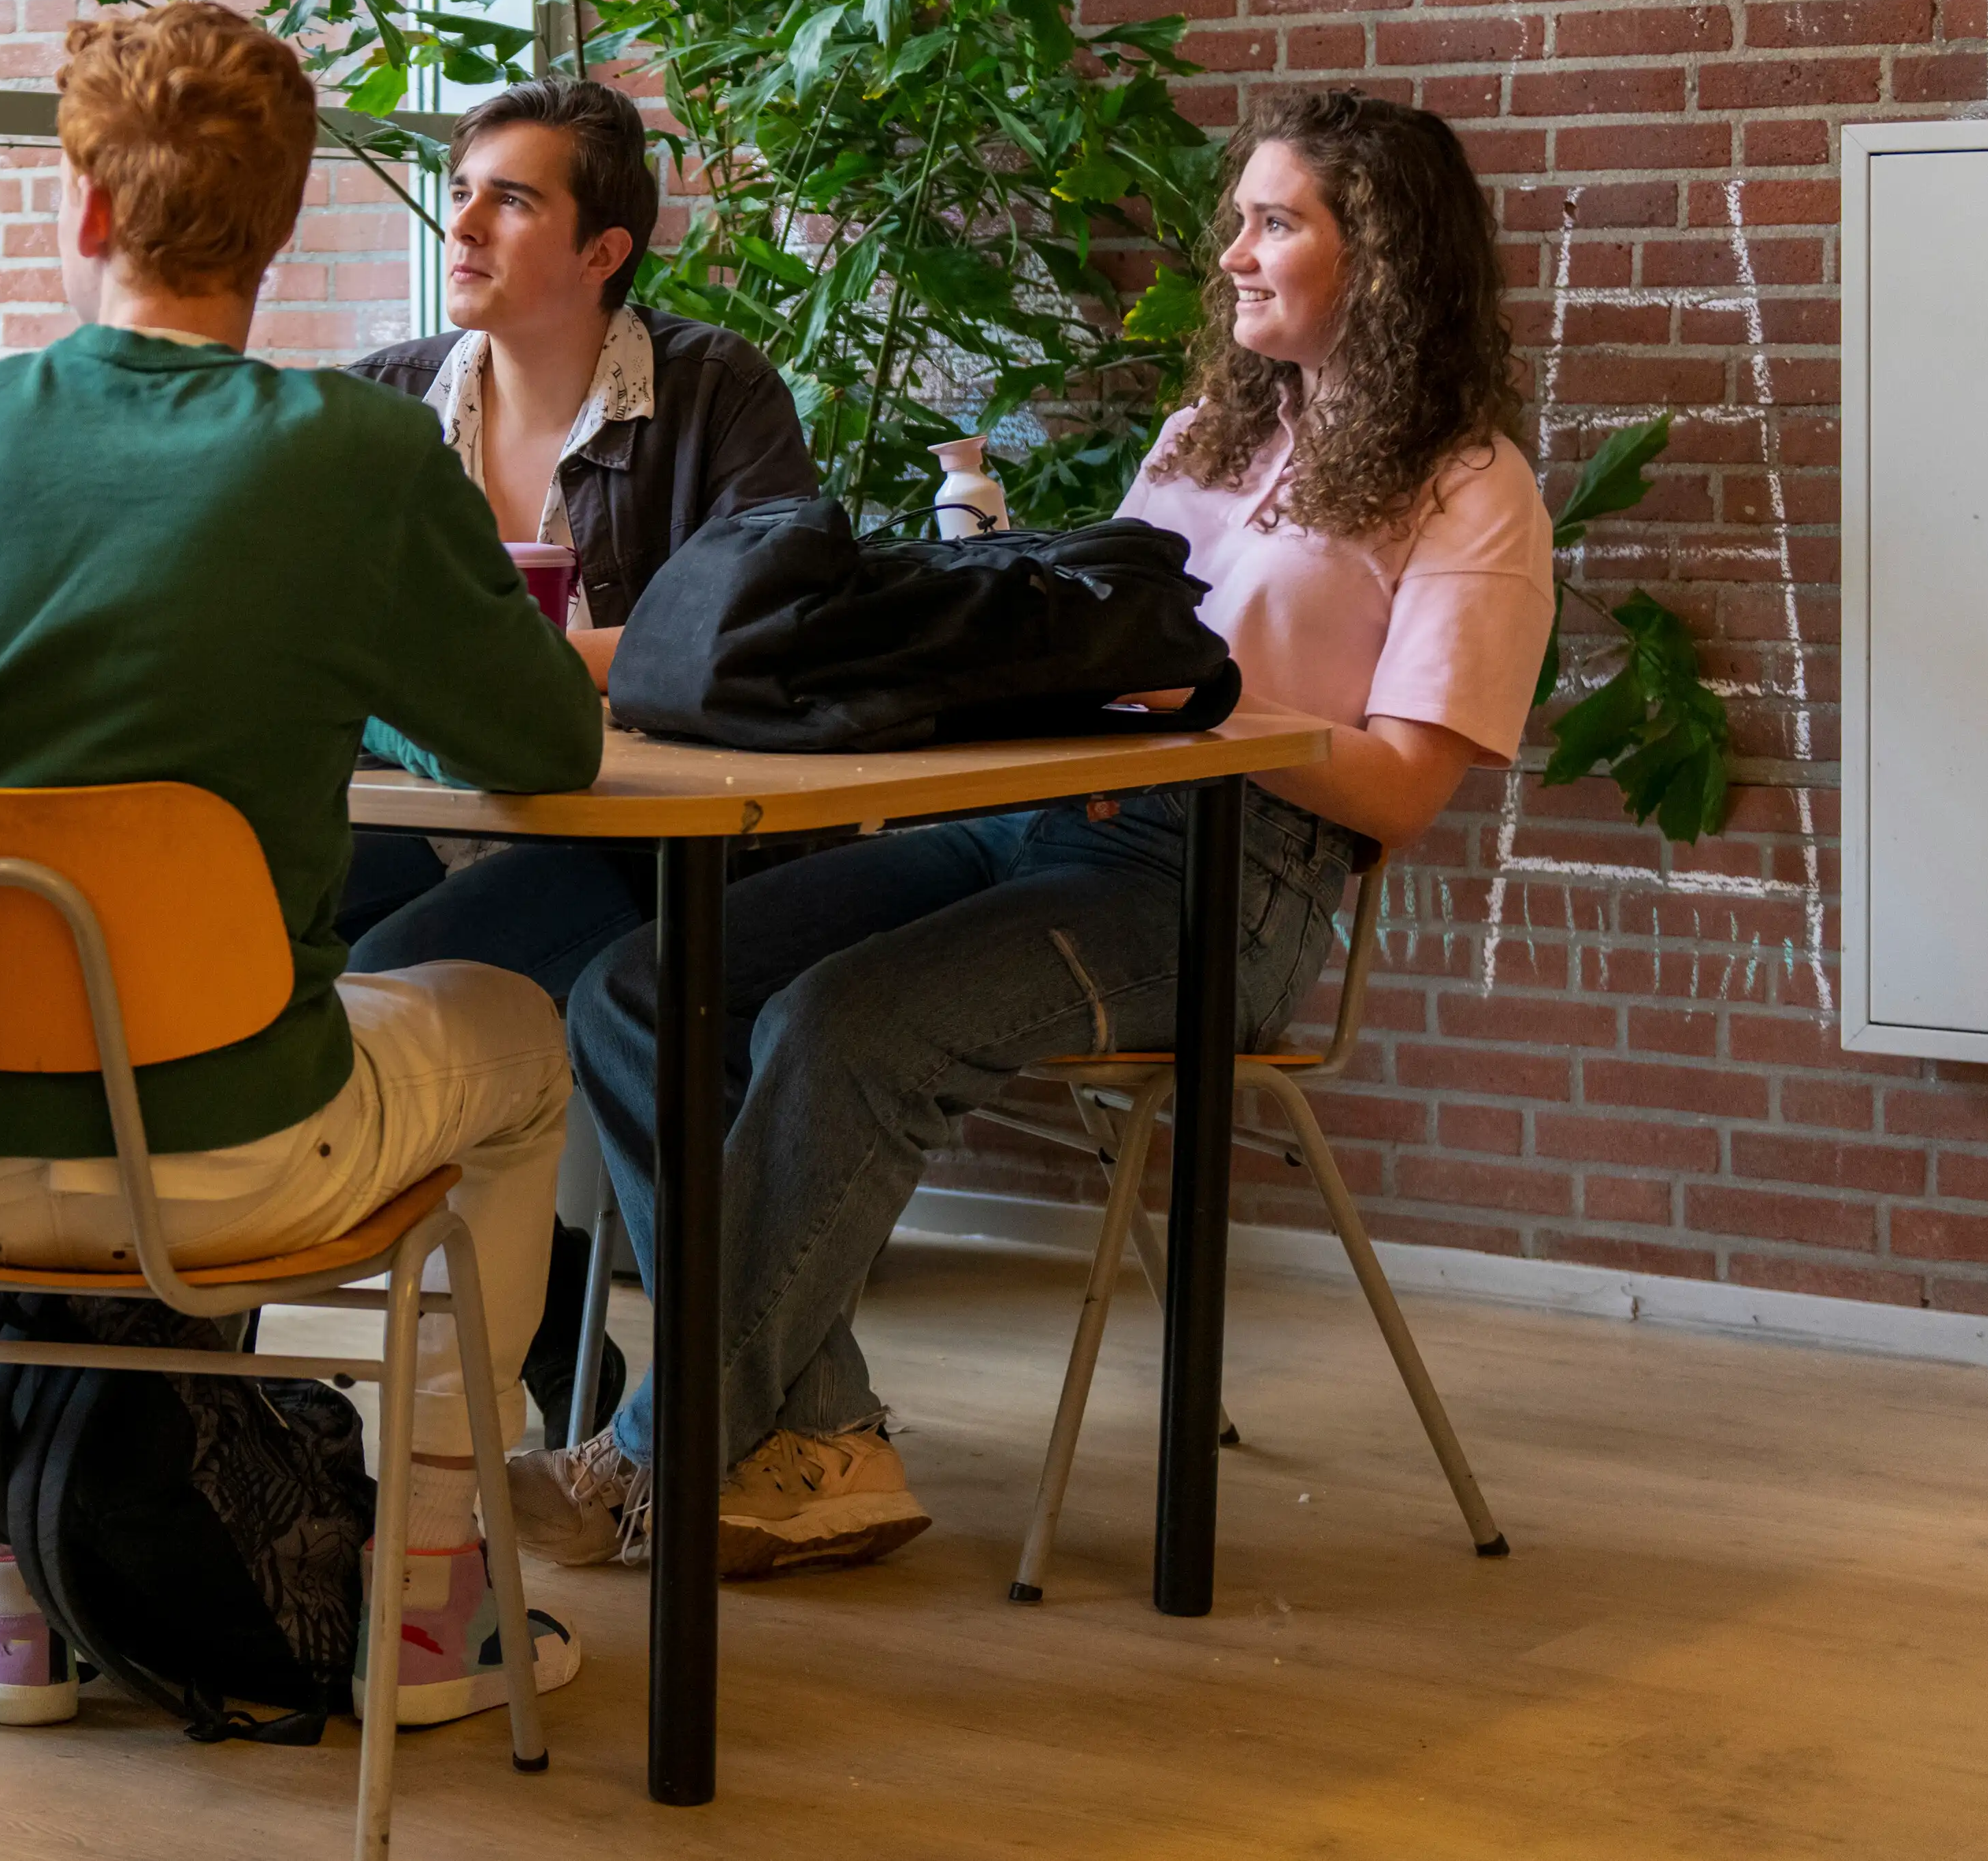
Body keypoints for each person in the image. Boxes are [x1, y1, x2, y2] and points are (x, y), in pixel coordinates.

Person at [512, 88, 1558, 1581]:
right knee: (635, 987)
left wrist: (1207, 705)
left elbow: (1396, 789)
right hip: (1035, 826)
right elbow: (1115, 652)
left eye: (1275, 225)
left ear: (1380, 259)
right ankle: (811, 1435)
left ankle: (648, 1458)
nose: (1235, 259)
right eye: (1238, 225)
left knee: (845, 1024)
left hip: (1225, 887)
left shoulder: (1470, 489)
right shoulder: (1206, 434)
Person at [0, 0, 605, 1729]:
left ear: (80, 211)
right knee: (515, 1034)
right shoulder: (354, 457)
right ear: (283, 230)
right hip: (224, 1146)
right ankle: (436, 1597)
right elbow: (546, 749)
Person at [340, 76, 822, 1443]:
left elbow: (755, 619)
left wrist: (535, 665)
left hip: (633, 845)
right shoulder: (383, 401)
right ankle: (521, 1343)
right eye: (462, 189)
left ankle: (558, 1366)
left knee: (393, 990)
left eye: (511, 197)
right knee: (247, 926)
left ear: (604, 250)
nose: (464, 221)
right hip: (424, 806)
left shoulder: (710, 390)